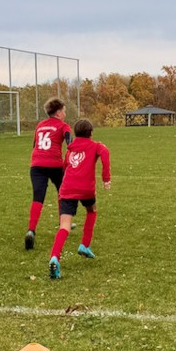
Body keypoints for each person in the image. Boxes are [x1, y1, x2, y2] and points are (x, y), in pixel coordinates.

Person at [49, 119, 111, 279]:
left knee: (64, 226)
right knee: (92, 210)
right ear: (90, 133)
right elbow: (105, 153)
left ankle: (54, 257)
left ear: (76, 133)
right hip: (86, 189)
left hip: (67, 188)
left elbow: (65, 167)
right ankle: (85, 244)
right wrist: (106, 179)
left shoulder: (70, 150)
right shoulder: (96, 146)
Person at [24, 97, 73, 250]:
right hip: (54, 164)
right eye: (64, 111)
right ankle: (63, 222)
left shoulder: (40, 125)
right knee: (63, 193)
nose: (65, 114)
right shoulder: (64, 126)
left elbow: (35, 145)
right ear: (58, 112)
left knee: (38, 197)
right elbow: (69, 142)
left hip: (36, 165)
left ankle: (31, 230)